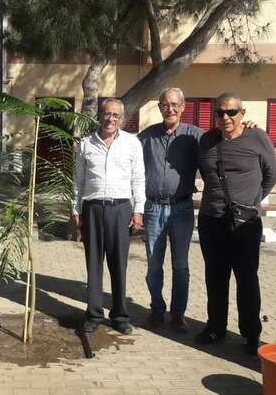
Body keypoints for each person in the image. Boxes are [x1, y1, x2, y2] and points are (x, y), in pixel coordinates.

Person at [195, 92, 276, 355]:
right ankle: (216, 327)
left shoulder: (257, 137)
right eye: (219, 112)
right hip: (212, 219)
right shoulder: (206, 140)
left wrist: (251, 201)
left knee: (246, 279)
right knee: (215, 277)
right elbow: (204, 172)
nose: (225, 117)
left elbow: (271, 176)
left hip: (245, 223)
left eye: (231, 112)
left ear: (242, 114)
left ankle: (251, 334)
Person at [72, 97, 146, 335]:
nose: (110, 119)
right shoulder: (85, 144)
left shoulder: (132, 144)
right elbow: (78, 181)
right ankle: (93, 314)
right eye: (106, 114)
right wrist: (75, 208)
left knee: (118, 264)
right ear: (99, 116)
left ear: (122, 119)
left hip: (120, 208)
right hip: (92, 209)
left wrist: (138, 210)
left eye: (115, 115)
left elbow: (139, 179)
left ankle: (120, 315)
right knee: (93, 263)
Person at [138, 88, 202, 333]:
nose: (170, 109)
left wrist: (248, 127)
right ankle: (156, 310)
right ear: (160, 107)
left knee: (180, 266)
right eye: (165, 105)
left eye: (175, 104)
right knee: (154, 264)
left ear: (183, 106)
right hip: (153, 208)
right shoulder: (147, 137)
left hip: (182, 209)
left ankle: (178, 315)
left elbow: (223, 141)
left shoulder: (195, 137)